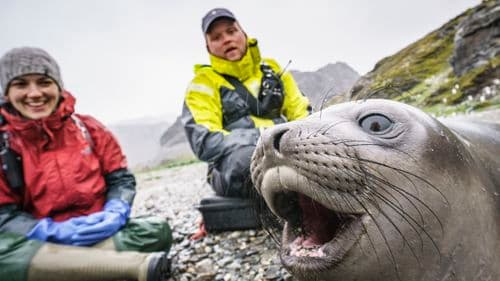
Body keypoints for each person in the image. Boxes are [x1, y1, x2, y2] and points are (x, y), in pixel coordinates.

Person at [0, 47, 172, 281]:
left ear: (58, 87)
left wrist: (115, 212)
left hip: (98, 233)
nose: (35, 93)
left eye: (44, 82)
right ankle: (132, 267)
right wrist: (50, 232)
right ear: (7, 93)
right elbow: (4, 216)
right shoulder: (4, 144)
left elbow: (120, 179)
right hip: (37, 243)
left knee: (156, 230)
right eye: (21, 84)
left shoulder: (89, 129)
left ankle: (59, 269)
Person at [182, 8, 311, 198]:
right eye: (216, 37)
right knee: (246, 161)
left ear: (244, 34)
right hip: (233, 163)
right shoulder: (202, 83)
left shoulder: (273, 68)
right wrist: (265, 139)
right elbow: (205, 141)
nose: (227, 39)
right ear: (208, 47)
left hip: (282, 147)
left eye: (232, 31)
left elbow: (301, 111)